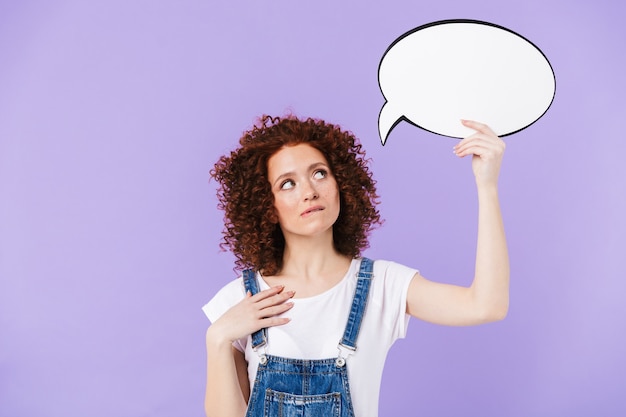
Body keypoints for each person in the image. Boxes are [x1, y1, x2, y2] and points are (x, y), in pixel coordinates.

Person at [202, 114, 509, 417]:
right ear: (265, 205)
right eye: (287, 184)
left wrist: (487, 186)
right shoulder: (241, 301)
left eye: (320, 173)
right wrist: (217, 339)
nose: (309, 191)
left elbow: (486, 306)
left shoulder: (382, 285)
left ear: (342, 183)